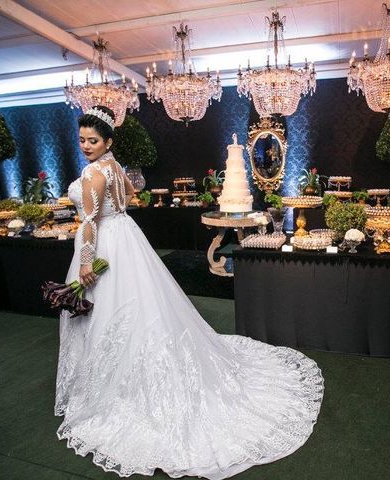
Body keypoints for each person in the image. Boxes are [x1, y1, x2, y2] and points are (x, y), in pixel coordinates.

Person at [55, 106, 324, 479]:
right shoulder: (115, 167)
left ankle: (118, 389)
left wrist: (86, 262)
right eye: (82, 140)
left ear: (107, 141)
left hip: (104, 244)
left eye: (93, 140)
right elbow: (132, 195)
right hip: (126, 237)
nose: (86, 146)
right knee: (142, 308)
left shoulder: (92, 173)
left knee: (114, 313)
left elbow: (87, 224)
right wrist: (115, 215)